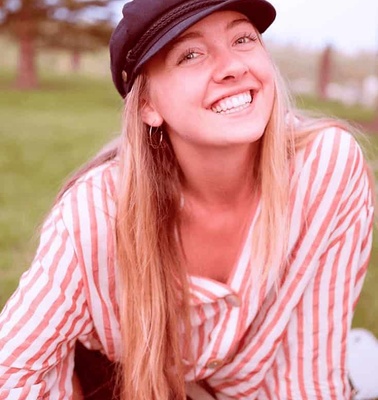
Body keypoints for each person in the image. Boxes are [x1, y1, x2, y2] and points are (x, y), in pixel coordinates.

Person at [0, 0, 374, 399]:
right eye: (190, 54)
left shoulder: (325, 169)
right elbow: (11, 373)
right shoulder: (95, 214)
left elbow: (309, 371)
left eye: (243, 38)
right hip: (113, 382)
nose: (232, 66)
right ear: (148, 105)